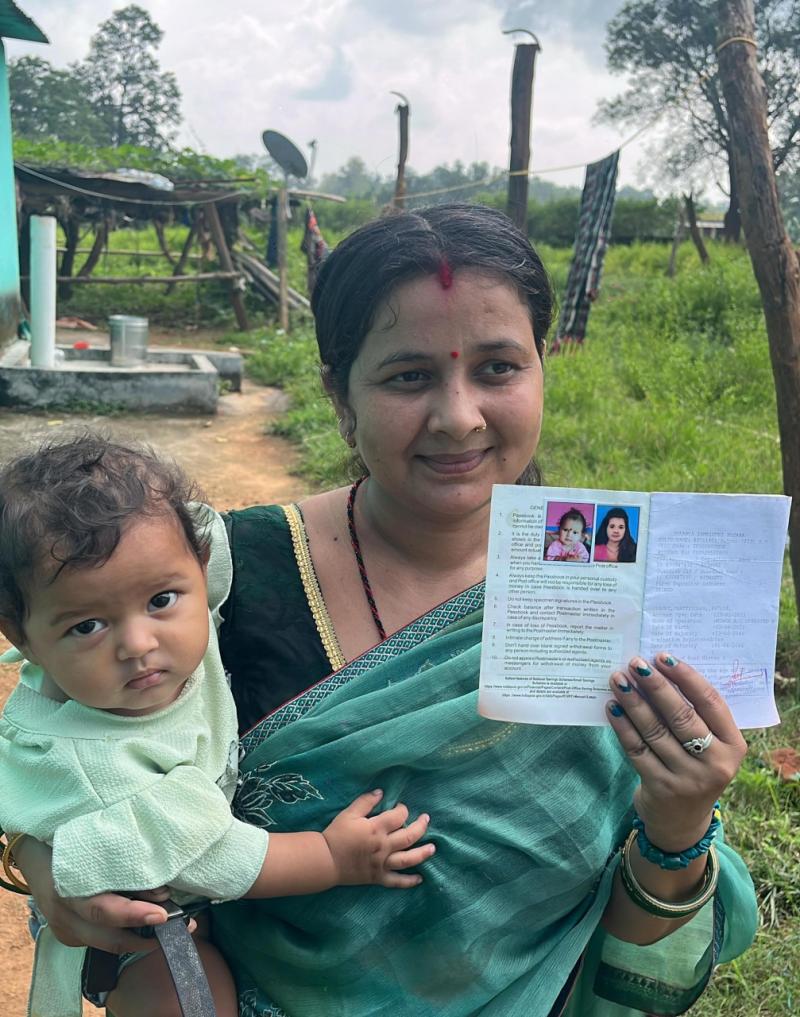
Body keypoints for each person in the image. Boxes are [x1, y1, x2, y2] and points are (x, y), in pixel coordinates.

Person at [11, 204, 757, 1017]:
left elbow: (632, 948)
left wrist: (679, 822)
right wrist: (48, 867)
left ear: (543, 370)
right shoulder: (217, 580)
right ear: (340, 394)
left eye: (499, 367)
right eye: (409, 376)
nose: (459, 416)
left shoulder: (621, 594)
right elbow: (66, 758)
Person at [0, 435, 433, 1017]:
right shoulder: (103, 763)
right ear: (23, 638)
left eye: (160, 600)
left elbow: (195, 536)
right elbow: (225, 859)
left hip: (184, 869)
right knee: (190, 999)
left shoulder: (177, 606)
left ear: (200, 569)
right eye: (86, 627)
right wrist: (334, 857)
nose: (138, 644)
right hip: (141, 919)